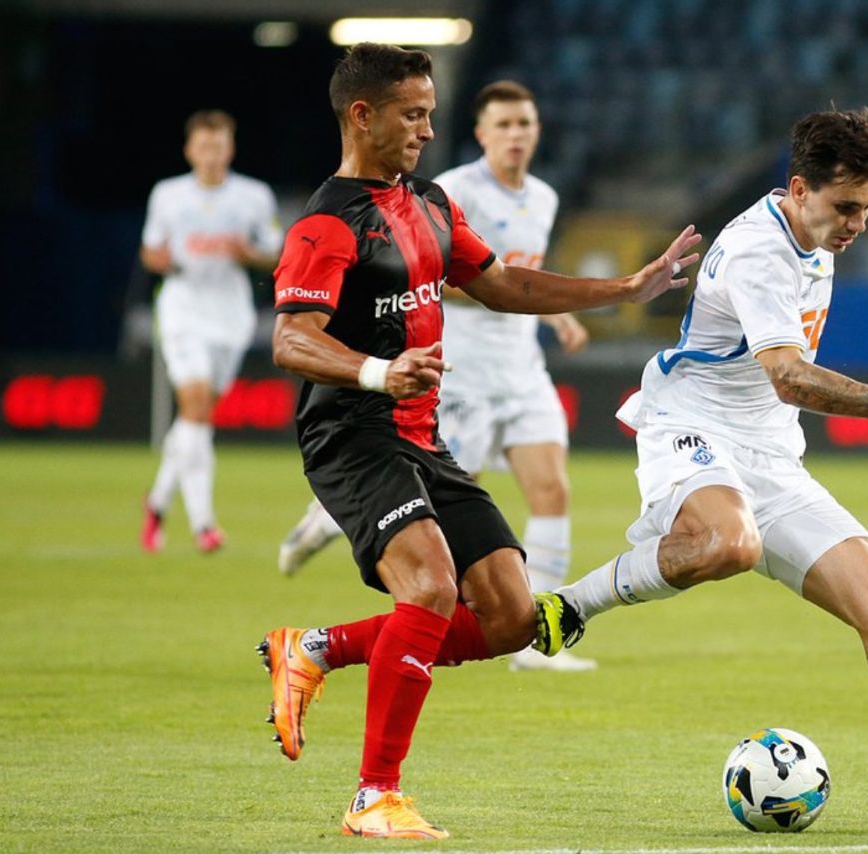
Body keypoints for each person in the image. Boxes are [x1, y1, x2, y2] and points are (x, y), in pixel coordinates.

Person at [545, 66, 868, 836]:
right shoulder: (759, 253)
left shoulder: (817, 209)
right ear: (798, 190)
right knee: (728, 543)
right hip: (691, 427)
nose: (857, 224)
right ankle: (571, 607)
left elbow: (856, 170)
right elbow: (789, 376)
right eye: (846, 208)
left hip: (769, 452)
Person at [259, 43, 699, 840]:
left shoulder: (429, 203)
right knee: (429, 587)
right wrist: (376, 371)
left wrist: (626, 289)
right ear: (362, 115)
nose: (428, 130)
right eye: (413, 114)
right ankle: (374, 798)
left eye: (430, 113)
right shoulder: (327, 224)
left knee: (509, 616)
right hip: (351, 435)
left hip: (421, 438)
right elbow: (291, 339)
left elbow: (502, 284)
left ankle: (316, 649)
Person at [276, 80, 597, 673]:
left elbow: (515, 276)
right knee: (439, 528)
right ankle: (329, 521)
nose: (516, 135)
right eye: (504, 125)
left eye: (525, 124)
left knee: (551, 489)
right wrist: (479, 291)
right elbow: (437, 277)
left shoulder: (544, 197)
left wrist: (564, 313)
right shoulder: (447, 190)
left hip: (522, 367)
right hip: (454, 370)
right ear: (482, 134)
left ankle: (536, 641)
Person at [139, 109, 281, 554]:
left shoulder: (254, 196)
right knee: (196, 407)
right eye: (203, 146)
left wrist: (249, 254)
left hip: (230, 315)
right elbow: (150, 251)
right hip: (182, 309)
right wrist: (159, 260)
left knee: (195, 418)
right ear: (189, 150)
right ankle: (204, 524)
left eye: (218, 146)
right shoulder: (167, 195)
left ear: (230, 149)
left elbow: (275, 253)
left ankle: (156, 503)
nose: (211, 155)